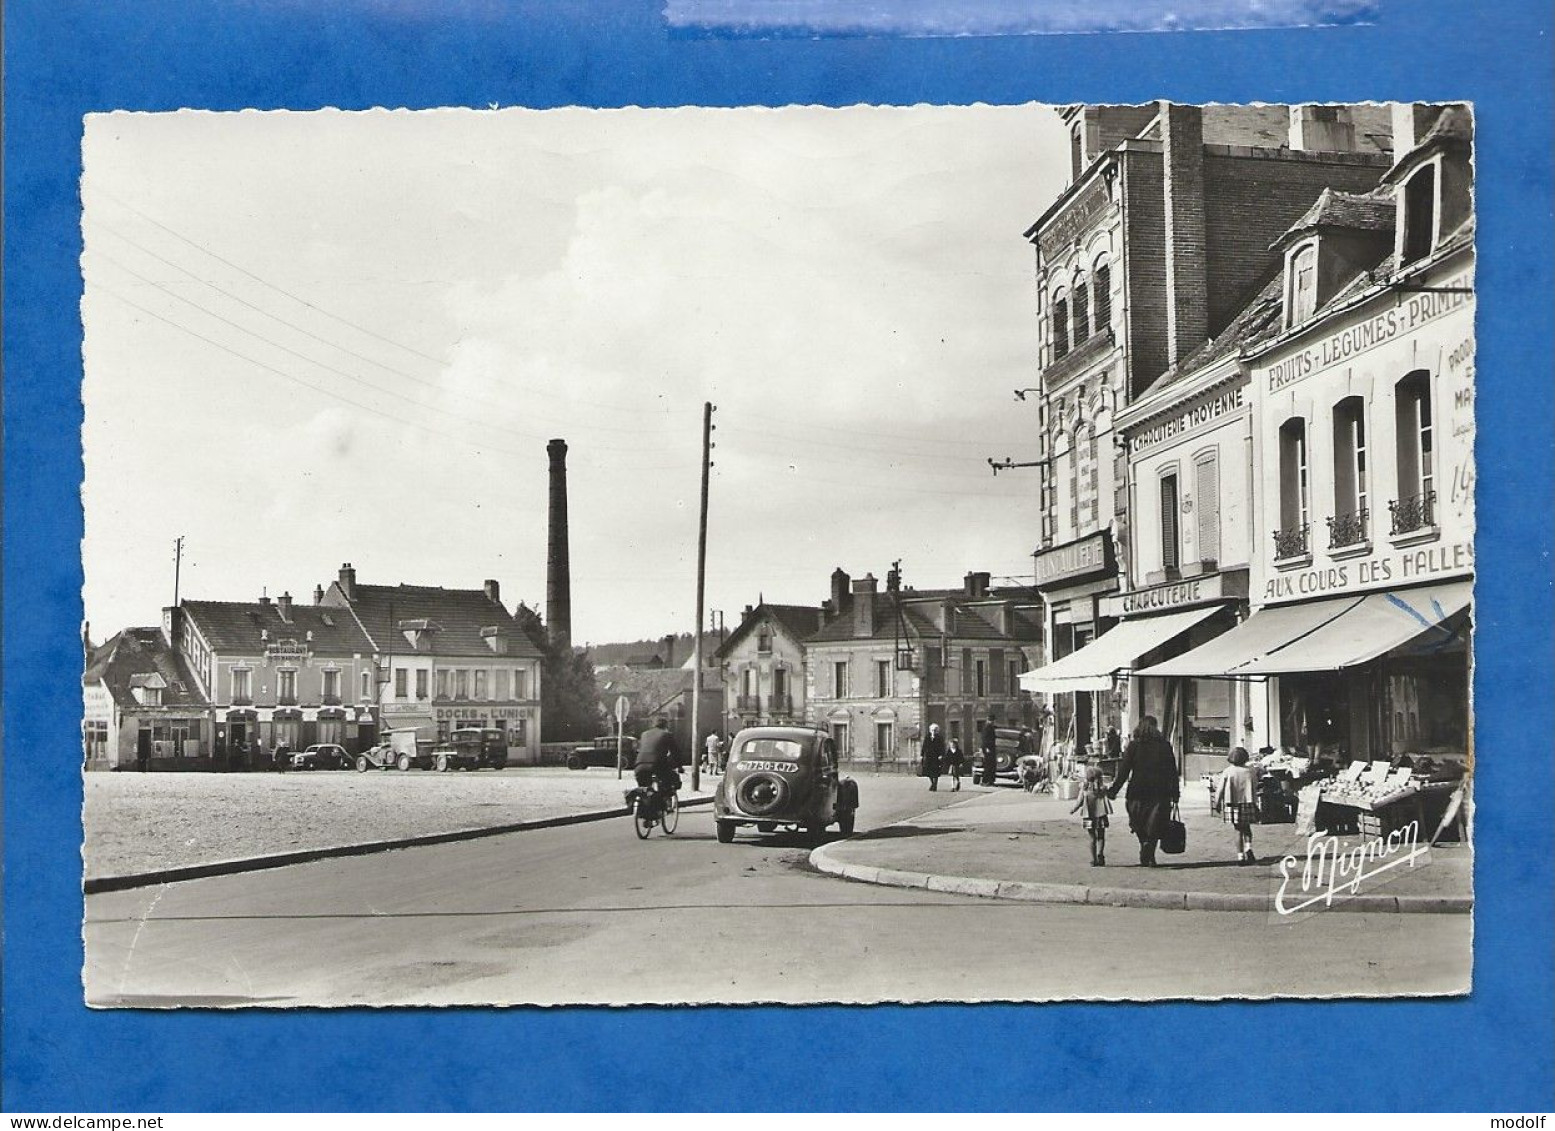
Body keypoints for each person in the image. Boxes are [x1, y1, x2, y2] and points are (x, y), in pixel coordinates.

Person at [1107, 715, 1180, 867]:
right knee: (1155, 824)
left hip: (1137, 792)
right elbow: (1172, 771)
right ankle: (1150, 852)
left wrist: (1113, 790)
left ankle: (1143, 843)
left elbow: (1124, 771)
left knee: (1138, 822)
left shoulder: (1133, 746)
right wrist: (1175, 792)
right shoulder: (1165, 746)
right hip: (1160, 792)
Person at [1216, 746, 1260, 864]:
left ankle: (1240, 856)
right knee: (1247, 828)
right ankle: (1248, 848)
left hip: (1232, 803)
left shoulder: (1228, 771)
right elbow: (1255, 785)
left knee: (1237, 830)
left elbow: (1220, 789)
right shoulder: (1250, 771)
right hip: (1248, 801)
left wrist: (1217, 802)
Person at [634, 716, 682, 806]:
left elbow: (639, 749)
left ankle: (646, 810)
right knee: (667, 782)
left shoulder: (644, 734)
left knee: (644, 789)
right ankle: (663, 803)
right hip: (657, 764)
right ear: (666, 725)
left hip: (639, 765)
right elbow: (676, 752)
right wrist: (679, 766)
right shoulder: (667, 734)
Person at [1071, 764, 1113, 866]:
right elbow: (1111, 794)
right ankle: (1100, 855)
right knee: (1101, 836)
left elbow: (1079, 802)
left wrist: (1073, 809)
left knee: (1092, 837)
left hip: (1088, 816)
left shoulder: (1085, 790)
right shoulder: (1103, 789)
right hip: (1101, 815)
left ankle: (1093, 859)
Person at [920, 723, 945, 792]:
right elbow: (924, 746)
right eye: (932, 730)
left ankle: (935, 785)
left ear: (937, 731)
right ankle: (932, 783)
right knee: (929, 771)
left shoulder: (940, 738)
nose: (933, 731)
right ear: (930, 730)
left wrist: (941, 755)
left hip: (936, 757)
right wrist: (921, 755)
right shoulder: (927, 737)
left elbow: (942, 747)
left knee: (936, 771)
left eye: (935, 730)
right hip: (929, 756)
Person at [980, 718, 999, 786]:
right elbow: (985, 739)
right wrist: (987, 748)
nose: (993, 722)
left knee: (992, 765)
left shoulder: (991, 727)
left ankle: (991, 781)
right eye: (992, 721)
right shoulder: (986, 728)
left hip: (991, 748)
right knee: (988, 765)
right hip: (988, 748)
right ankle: (985, 781)